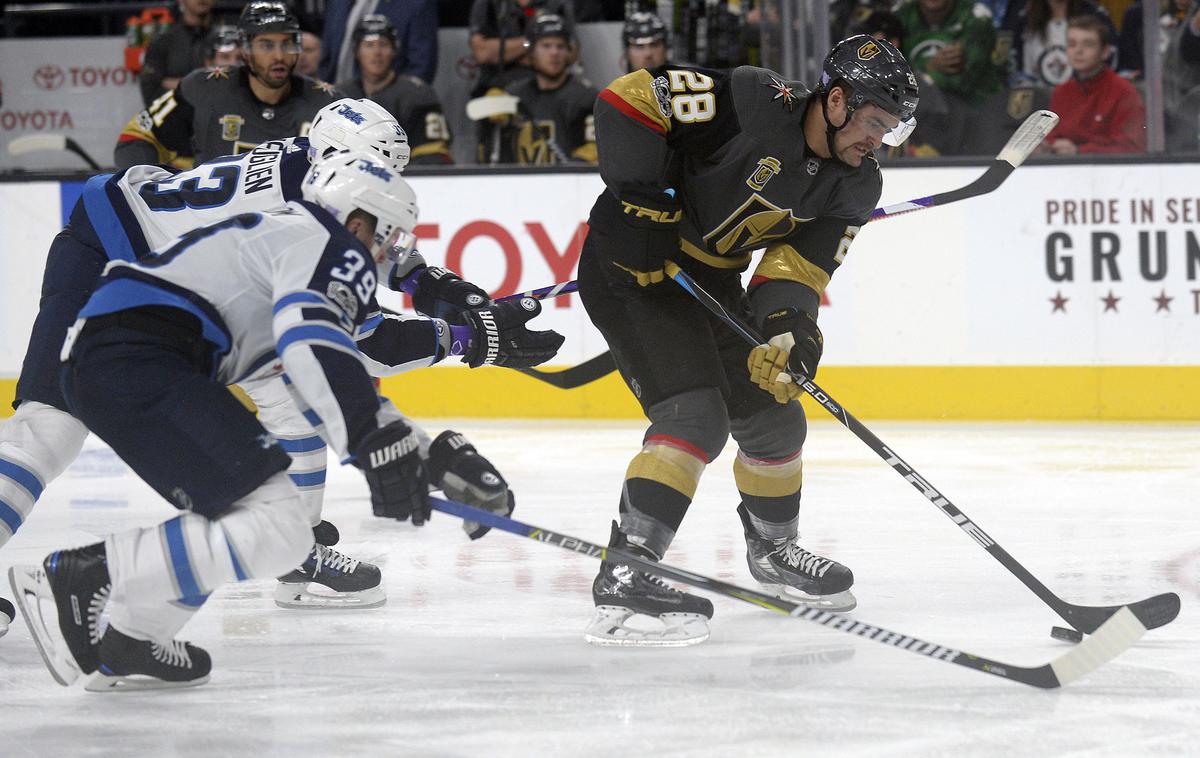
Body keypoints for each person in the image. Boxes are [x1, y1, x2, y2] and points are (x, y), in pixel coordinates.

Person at [0, 97, 562, 635]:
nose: (384, 189)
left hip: (182, 297)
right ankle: (186, 568)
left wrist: (444, 291)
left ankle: (295, 556)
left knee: (295, 423)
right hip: (117, 267)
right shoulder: (302, 215)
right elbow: (363, 344)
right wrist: (469, 341)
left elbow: (374, 252)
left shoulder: (306, 165)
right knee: (49, 431)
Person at [576, 35, 919, 645]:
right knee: (694, 417)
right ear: (836, 100)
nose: (878, 142)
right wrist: (640, 201)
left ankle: (773, 552)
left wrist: (791, 331)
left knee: (776, 416)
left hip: (708, 279)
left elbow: (797, 271)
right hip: (629, 270)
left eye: (890, 131)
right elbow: (627, 99)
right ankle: (627, 569)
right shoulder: (753, 99)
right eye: (873, 123)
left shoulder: (855, 186)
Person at [115, 1, 341, 168]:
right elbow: (136, 138)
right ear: (244, 50)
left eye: (287, 44)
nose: (279, 56)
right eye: (266, 45)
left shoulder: (328, 104)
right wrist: (155, 189)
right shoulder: (204, 89)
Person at [335, 15, 453, 164]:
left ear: (394, 51)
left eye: (383, 44)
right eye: (369, 45)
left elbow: (433, 157)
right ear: (357, 52)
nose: (377, 53)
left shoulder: (418, 95)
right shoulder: (340, 95)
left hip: (404, 180)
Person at [493, 14, 598, 164]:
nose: (554, 53)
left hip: (570, 184)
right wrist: (487, 108)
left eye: (560, 46)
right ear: (531, 52)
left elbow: (598, 146)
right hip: (518, 184)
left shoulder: (586, 97)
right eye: (546, 46)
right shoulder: (512, 95)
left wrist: (579, 165)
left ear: (569, 53)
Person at [1042, 15, 1146, 154]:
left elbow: (1132, 147)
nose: (1078, 51)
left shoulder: (1124, 92)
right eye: (1072, 44)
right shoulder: (1061, 92)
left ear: (1105, 52)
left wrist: (1079, 151)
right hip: (1063, 171)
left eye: (1088, 44)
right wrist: (1046, 147)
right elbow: (1052, 137)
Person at [320, 0, 439, 85]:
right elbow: (327, 55)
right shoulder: (337, 3)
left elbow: (421, 68)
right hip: (334, 99)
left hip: (388, 105)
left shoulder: (416, 4)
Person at [1013, 0, 1115, 87]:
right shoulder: (1025, 20)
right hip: (1039, 102)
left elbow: (1110, 66)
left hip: (1089, 99)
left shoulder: (1096, 16)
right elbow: (1021, 72)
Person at [139, 0, 215, 106]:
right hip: (176, 119)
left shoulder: (227, 40)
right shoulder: (162, 42)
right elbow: (151, 94)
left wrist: (175, 84)